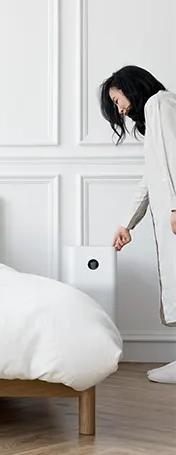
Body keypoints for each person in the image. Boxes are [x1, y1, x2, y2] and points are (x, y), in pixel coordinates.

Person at [106, 65, 176, 384]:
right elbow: (150, 177)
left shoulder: (158, 103)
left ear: (130, 87)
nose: (119, 108)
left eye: (118, 99)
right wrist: (127, 223)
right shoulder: (158, 109)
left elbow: (173, 159)